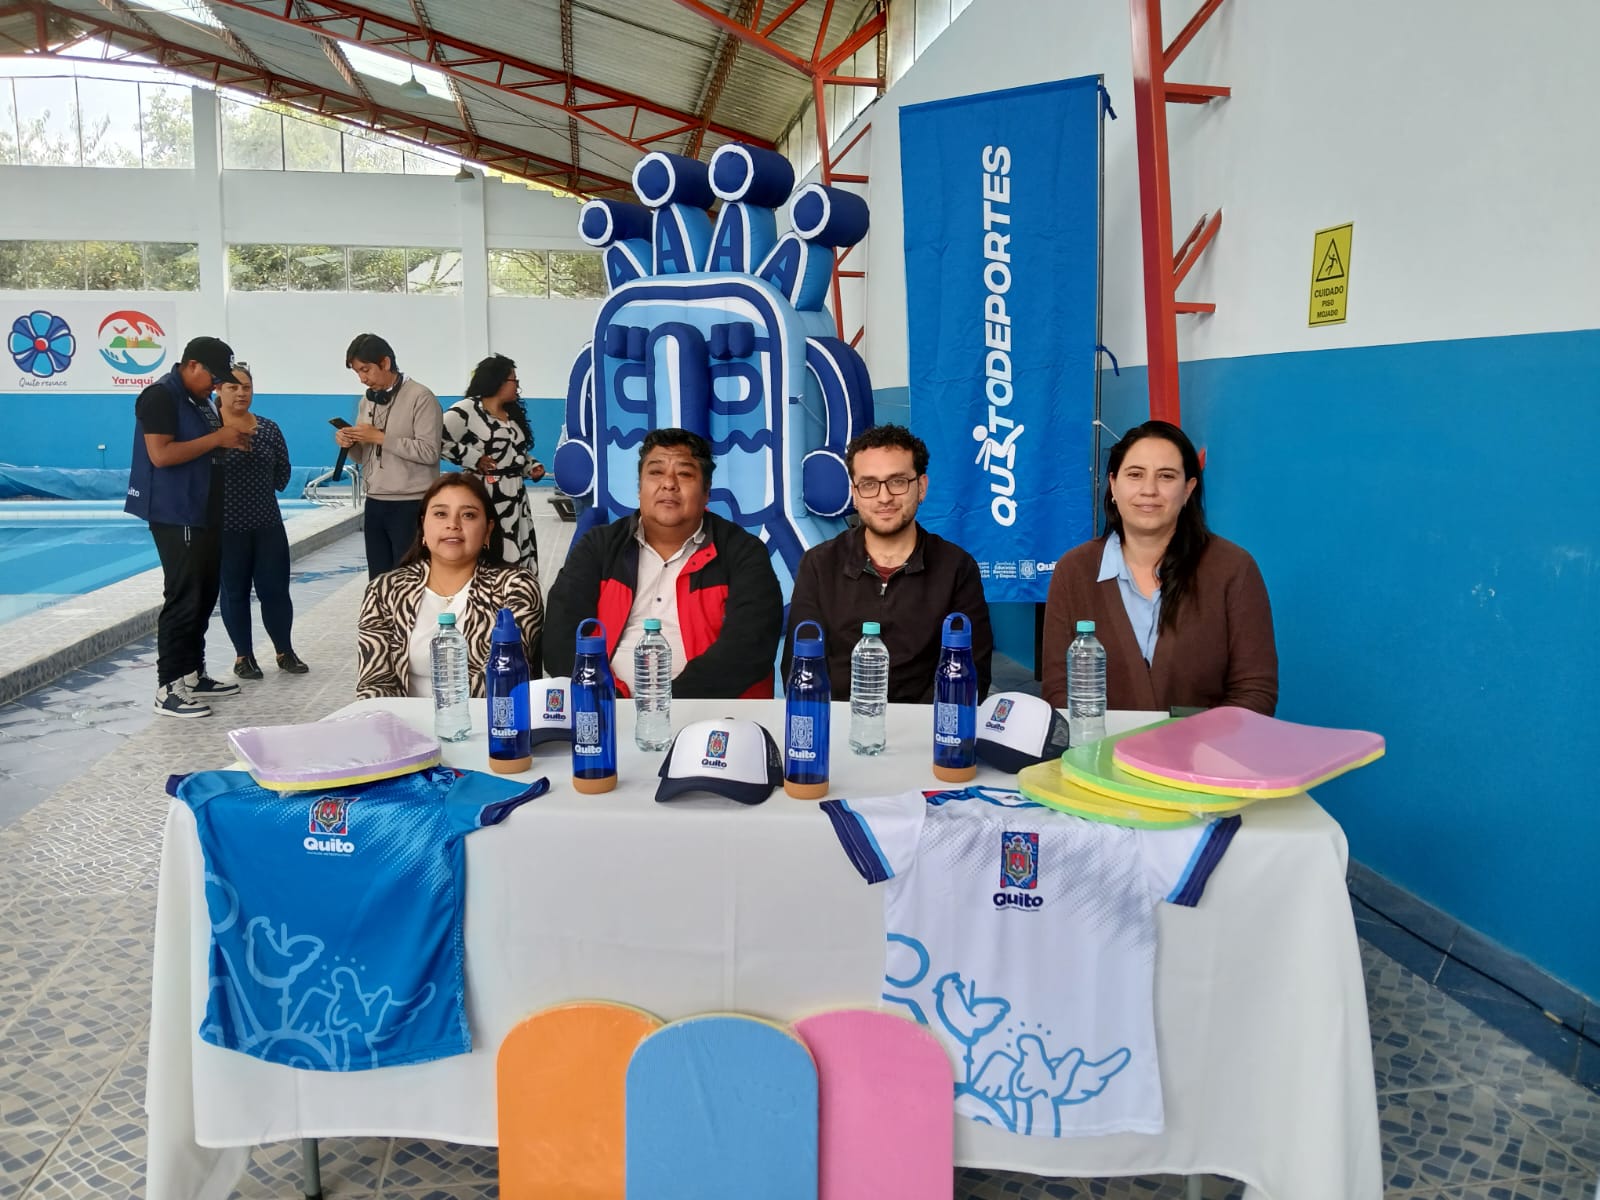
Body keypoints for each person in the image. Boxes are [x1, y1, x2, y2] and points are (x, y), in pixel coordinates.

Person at [1041, 419, 1278, 715]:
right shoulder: (1074, 570)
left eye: (1166, 476)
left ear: (1188, 489)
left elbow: (1255, 691)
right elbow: (1057, 691)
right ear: (1113, 484)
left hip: (1204, 757)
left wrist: (1184, 750)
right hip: (1099, 757)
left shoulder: (1234, 568)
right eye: (1135, 474)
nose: (1149, 490)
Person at [542, 428, 782, 699]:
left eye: (685, 473)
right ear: (639, 488)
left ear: (706, 493)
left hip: (711, 715)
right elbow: (559, 638)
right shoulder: (599, 546)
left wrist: (662, 706)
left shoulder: (743, 552)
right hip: (605, 708)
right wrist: (608, 696)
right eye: (655, 472)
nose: (669, 483)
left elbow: (750, 646)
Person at [783, 424, 993, 702]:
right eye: (869, 484)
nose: (884, 497)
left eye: (897, 482)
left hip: (927, 730)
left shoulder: (956, 567)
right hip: (838, 728)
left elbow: (970, 673)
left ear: (921, 487)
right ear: (855, 494)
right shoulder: (820, 565)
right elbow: (801, 670)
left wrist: (918, 730)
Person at [125, 336, 253, 718]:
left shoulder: (196, 400)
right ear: (192, 365)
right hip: (176, 511)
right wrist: (218, 438)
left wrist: (226, 443)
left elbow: (198, 445)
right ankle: (168, 688)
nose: (216, 386)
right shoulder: (160, 397)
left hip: (203, 510)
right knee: (183, 595)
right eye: (213, 378)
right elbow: (160, 455)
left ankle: (192, 673)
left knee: (204, 592)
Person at [356, 473, 543, 700]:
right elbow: (374, 683)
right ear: (423, 526)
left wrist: (449, 725)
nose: (452, 525)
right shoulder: (385, 590)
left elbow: (504, 675)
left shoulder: (515, 587)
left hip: (490, 725)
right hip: (401, 728)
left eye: (468, 515)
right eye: (440, 514)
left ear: (488, 530)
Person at [215, 364, 308, 680]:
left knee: (276, 591)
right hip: (226, 528)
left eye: (247, 387)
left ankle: (285, 651)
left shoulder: (268, 428)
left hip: (267, 524)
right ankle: (244, 657)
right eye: (233, 387)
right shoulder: (209, 430)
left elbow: (283, 471)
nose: (241, 392)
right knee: (234, 592)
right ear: (218, 390)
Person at [336, 333, 443, 579]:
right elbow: (364, 456)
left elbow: (429, 452)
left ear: (385, 363)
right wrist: (349, 442)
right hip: (375, 501)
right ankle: (382, 619)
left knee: (410, 578)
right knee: (379, 580)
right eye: (357, 373)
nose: (363, 379)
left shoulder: (421, 397)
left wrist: (382, 437)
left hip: (411, 503)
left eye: (366, 370)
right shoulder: (368, 400)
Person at [441, 353, 546, 573]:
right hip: (485, 493)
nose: (518, 386)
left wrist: (531, 466)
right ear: (498, 380)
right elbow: (436, 440)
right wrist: (473, 458)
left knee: (517, 550)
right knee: (490, 548)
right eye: (514, 380)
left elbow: (515, 453)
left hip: (516, 498)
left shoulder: (511, 413)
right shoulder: (467, 410)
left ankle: (517, 598)